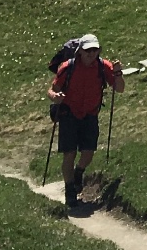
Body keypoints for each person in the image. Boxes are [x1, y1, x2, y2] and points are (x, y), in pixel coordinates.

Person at [48, 33, 123, 210]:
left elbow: (119, 89)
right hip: (69, 113)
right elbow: (52, 89)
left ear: (99, 51)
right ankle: (69, 191)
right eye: (88, 50)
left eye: (94, 50)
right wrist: (55, 97)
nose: (91, 53)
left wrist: (117, 73)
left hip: (90, 114)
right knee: (69, 153)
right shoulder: (68, 67)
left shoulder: (103, 67)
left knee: (88, 153)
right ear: (80, 51)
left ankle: (78, 172)